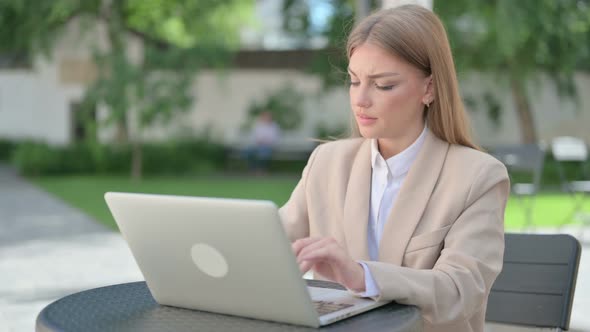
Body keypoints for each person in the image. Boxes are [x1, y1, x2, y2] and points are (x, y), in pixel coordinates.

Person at [279, 5, 509, 332]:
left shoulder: (478, 177)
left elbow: (459, 292)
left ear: (429, 89)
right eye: (354, 81)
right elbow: (270, 243)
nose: (360, 100)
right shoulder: (326, 162)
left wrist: (363, 276)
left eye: (383, 85)